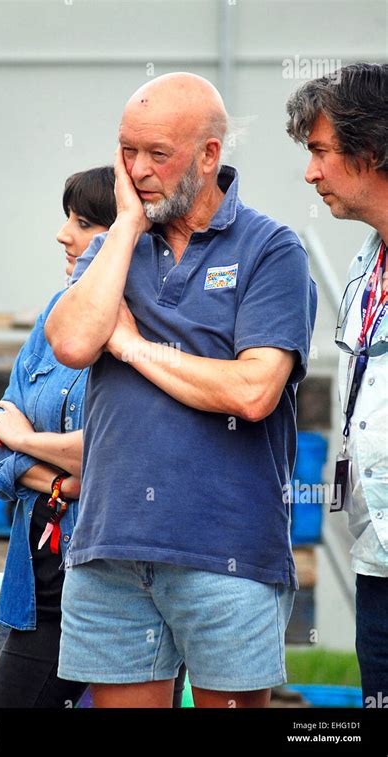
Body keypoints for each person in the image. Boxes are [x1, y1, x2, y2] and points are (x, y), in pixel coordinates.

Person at [45, 72, 318, 708]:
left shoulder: (271, 249)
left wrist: (134, 346)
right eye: (126, 151)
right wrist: (125, 227)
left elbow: (254, 391)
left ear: (208, 155)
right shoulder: (118, 246)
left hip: (226, 552)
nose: (137, 170)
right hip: (112, 548)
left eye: (157, 154)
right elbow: (72, 341)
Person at [0, 167, 114, 708]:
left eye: (83, 223)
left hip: (111, 587)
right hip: (36, 586)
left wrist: (26, 441)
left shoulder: (144, 332)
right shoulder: (52, 316)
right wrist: (67, 479)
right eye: (68, 219)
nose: (64, 234)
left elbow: (115, 456)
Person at [286, 62, 388, 708]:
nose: (310, 171)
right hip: (376, 553)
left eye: (321, 152)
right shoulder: (363, 266)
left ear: (372, 148)